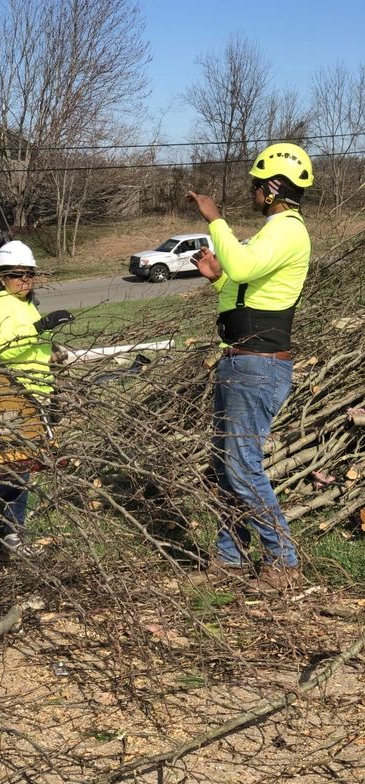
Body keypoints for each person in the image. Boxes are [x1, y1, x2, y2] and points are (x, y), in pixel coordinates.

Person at [186, 143, 313, 593]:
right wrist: (217, 278)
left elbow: (240, 266)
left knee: (241, 466)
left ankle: (282, 562)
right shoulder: (274, 232)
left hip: (257, 366)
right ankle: (231, 557)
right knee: (225, 466)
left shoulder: (287, 231)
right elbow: (242, 281)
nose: (253, 193)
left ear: (274, 187)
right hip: (240, 360)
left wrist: (214, 218)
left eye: (258, 185)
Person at [0, 240, 73, 558]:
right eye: (17, 275)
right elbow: (4, 349)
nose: (24, 280)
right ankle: (10, 535)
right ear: (2, 276)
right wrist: (40, 328)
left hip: (36, 395)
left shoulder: (26, 305)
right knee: (15, 470)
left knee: (24, 468)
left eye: (29, 274)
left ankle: (1, 532)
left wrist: (52, 347)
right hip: (12, 397)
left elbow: (33, 344)